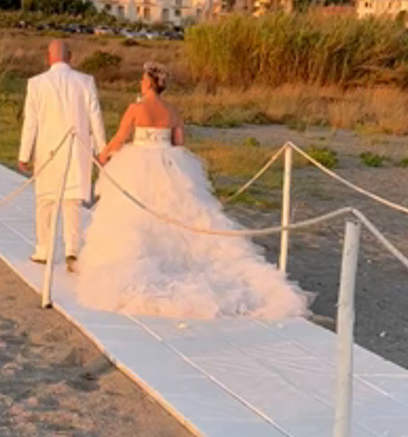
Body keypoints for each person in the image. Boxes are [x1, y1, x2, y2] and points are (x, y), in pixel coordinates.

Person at [76, 62, 311, 319]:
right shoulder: (173, 111)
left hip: (138, 163)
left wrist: (103, 155)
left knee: (134, 215)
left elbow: (120, 138)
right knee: (180, 212)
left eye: (143, 79)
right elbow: (178, 143)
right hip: (170, 164)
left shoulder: (136, 108)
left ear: (149, 83)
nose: (141, 83)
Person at [18, 40, 107, 273]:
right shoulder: (85, 82)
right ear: (71, 57)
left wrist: (24, 154)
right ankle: (72, 250)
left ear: (49, 57)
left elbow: (31, 122)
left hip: (47, 151)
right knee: (72, 202)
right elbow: (95, 117)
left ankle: (44, 249)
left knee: (45, 202)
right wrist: (101, 150)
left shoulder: (36, 83)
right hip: (77, 149)